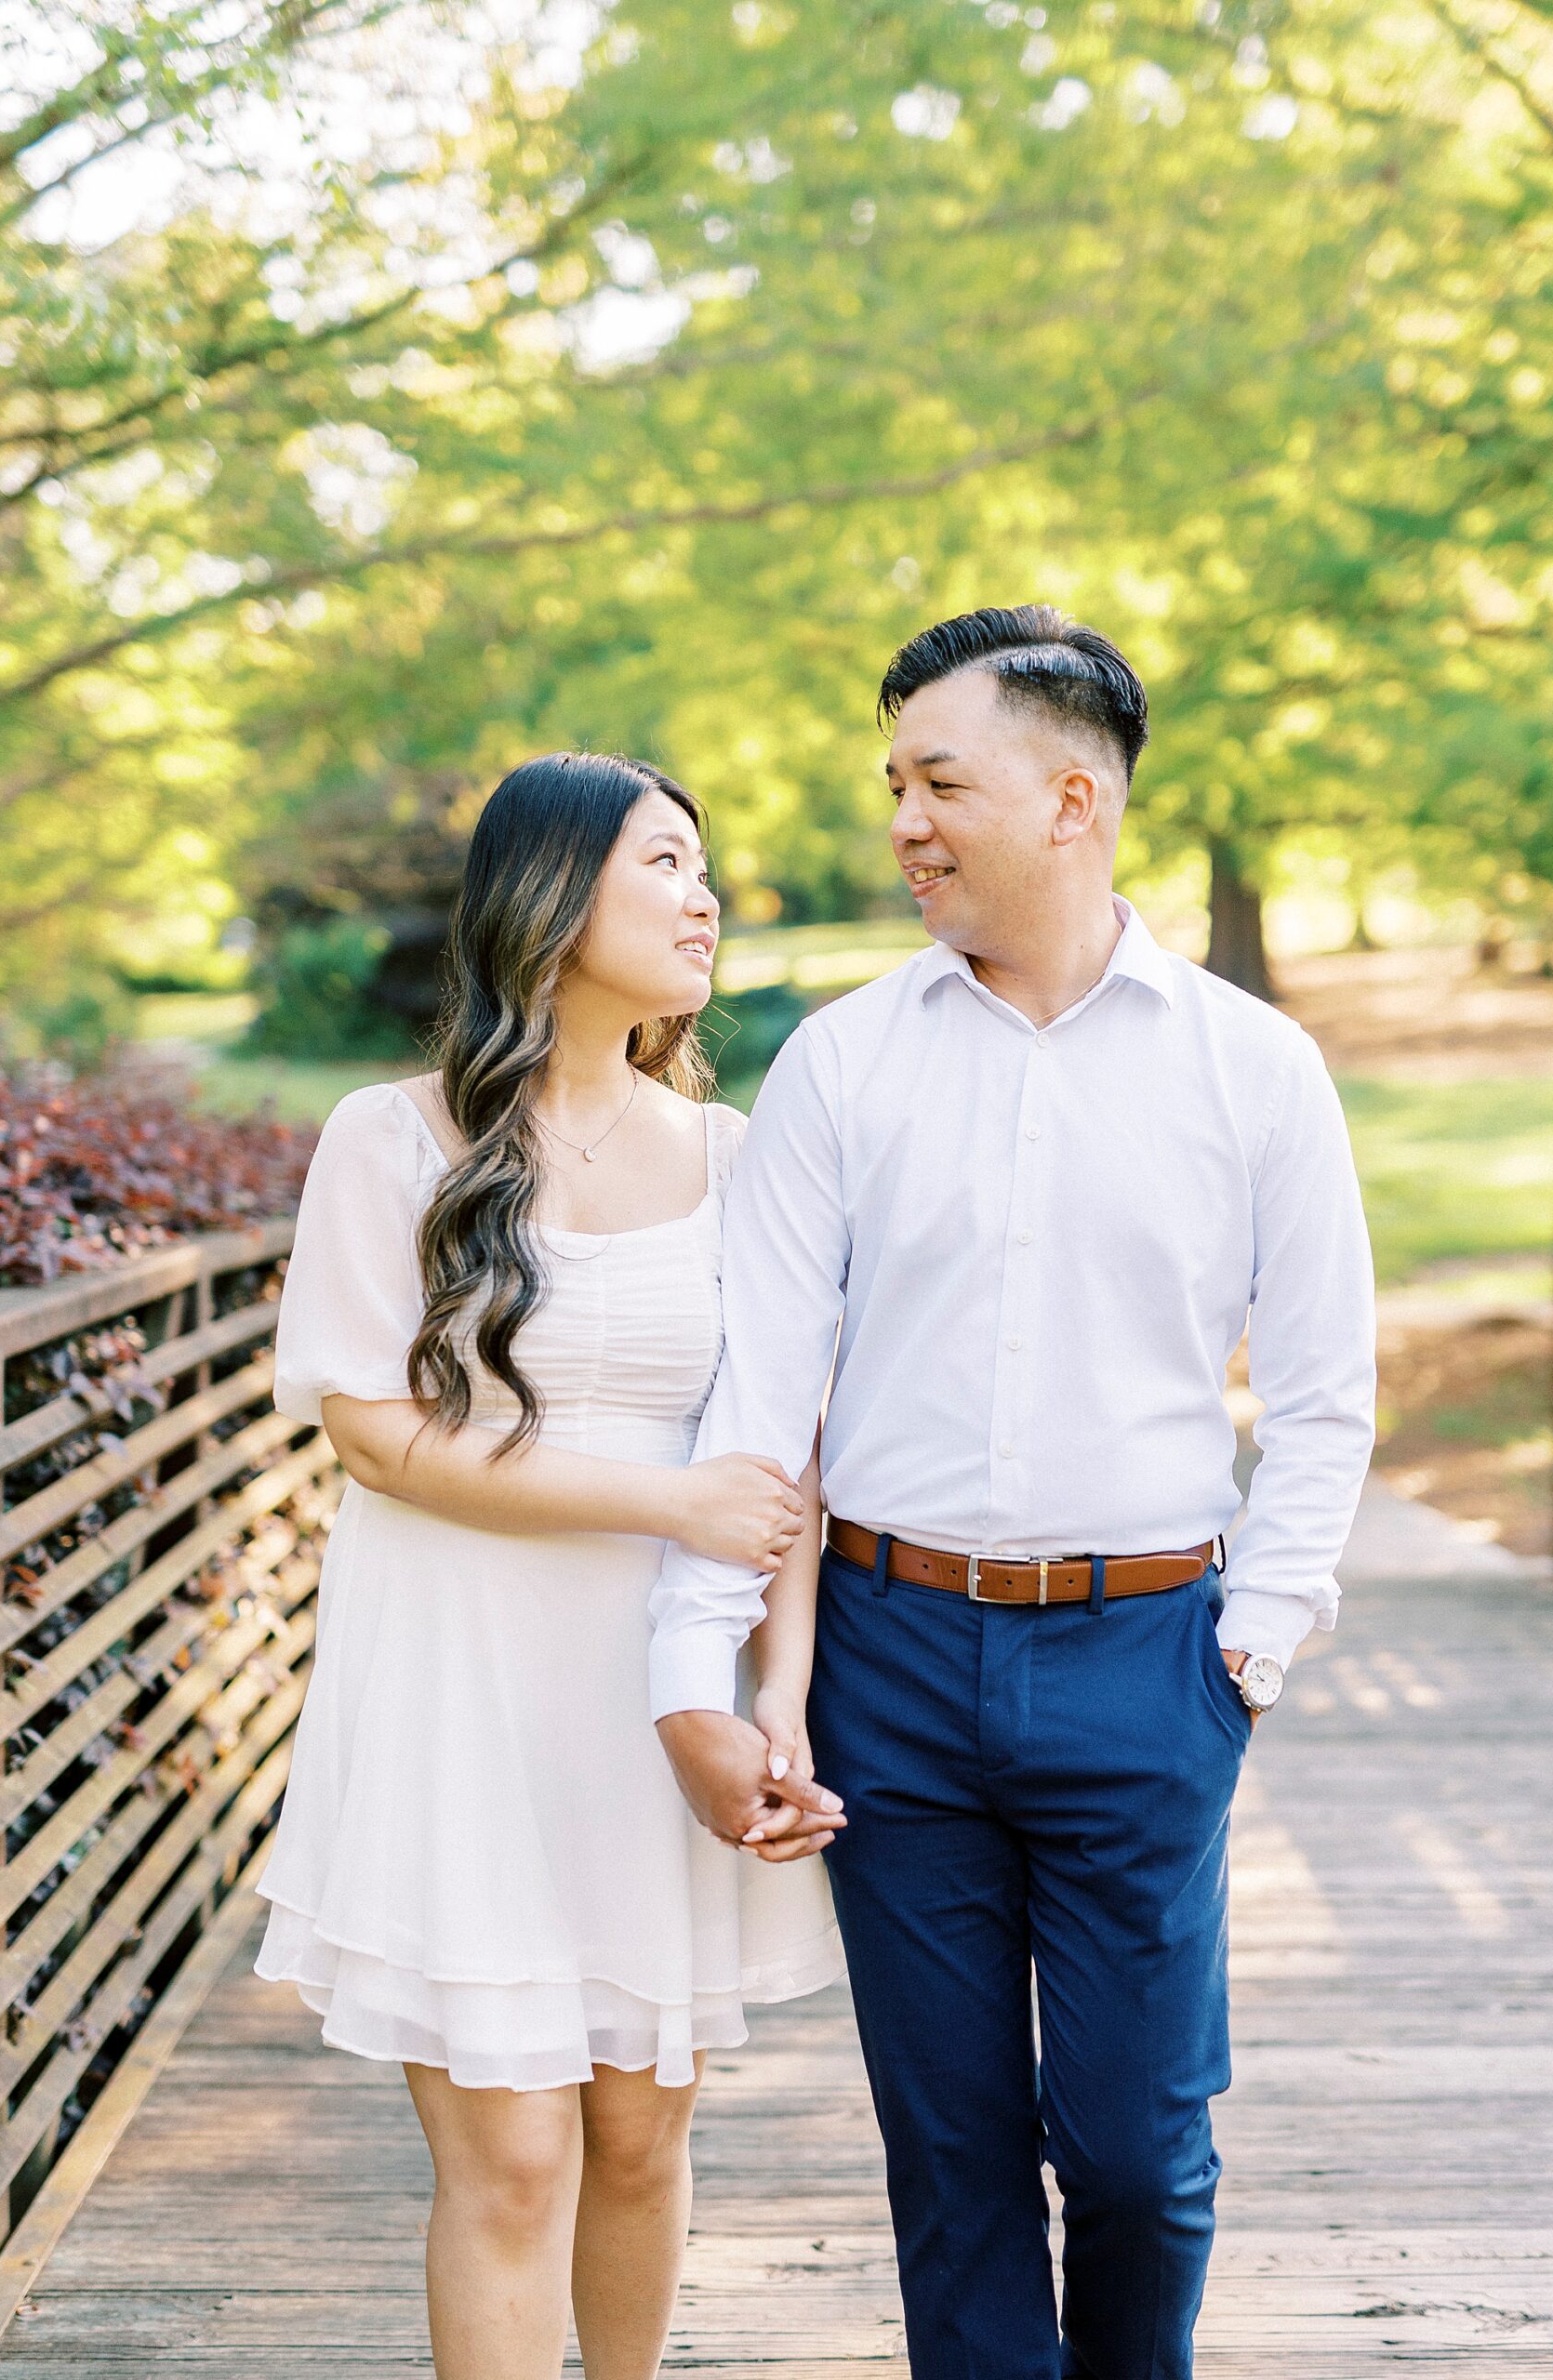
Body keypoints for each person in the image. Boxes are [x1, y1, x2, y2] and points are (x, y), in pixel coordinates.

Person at [648, 608, 1378, 2380]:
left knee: (1136, 2156)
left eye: (938, 781)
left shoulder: (1251, 1067)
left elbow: (1328, 1392)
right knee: (953, 2160)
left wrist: (1253, 1648)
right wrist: (713, 1671)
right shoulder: (839, 1063)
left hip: (1153, 1657)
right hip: (892, 1663)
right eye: (893, 781)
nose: (902, 818)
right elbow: (763, 1396)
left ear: (1072, 798)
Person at [258, 752, 843, 2380]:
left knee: (644, 2144)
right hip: (462, 1691)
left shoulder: (738, 1157)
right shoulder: (391, 1141)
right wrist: (664, 1506)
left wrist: (780, 1702)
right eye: (667, 862)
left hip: (662, 1699)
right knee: (512, 2162)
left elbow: (786, 1461)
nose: (706, 896)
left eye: (704, 864)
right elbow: (374, 1436)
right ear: (553, 894)